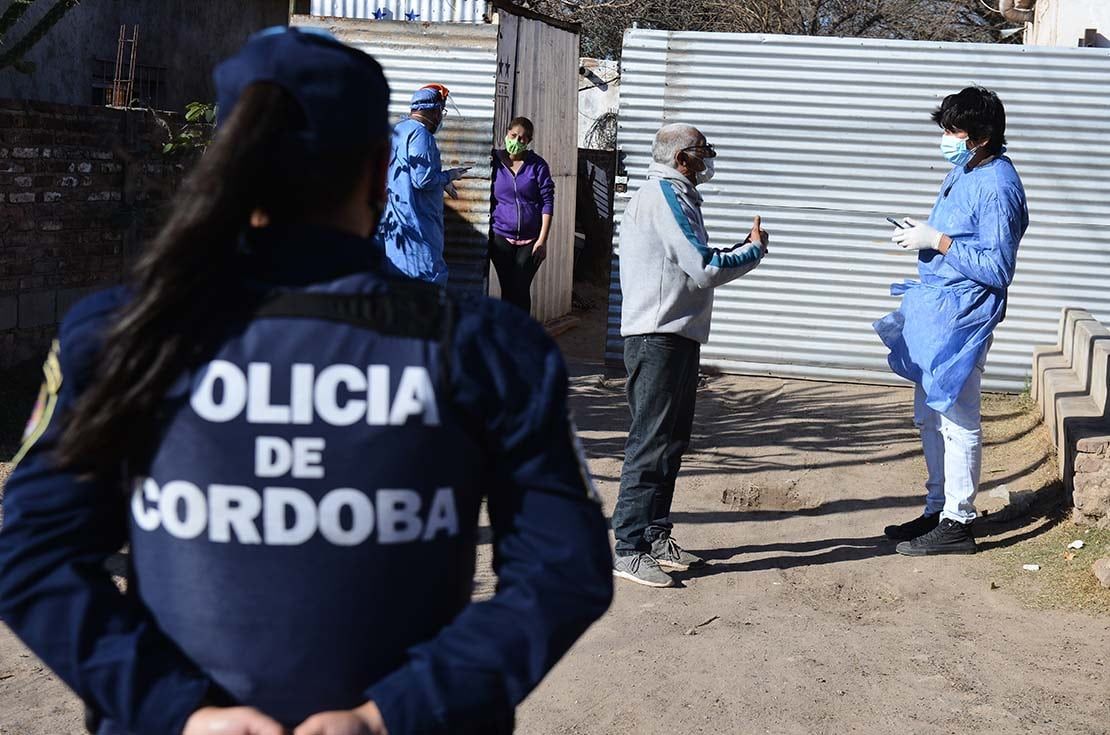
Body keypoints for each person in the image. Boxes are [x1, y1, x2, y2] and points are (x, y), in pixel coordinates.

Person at [0, 28, 612, 735]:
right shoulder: (490, 349)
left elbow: (33, 554)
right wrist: (392, 715)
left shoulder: (122, 333)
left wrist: (181, 713)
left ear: (223, 163)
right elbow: (565, 570)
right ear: (380, 171)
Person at [611, 123, 768, 588]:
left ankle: (656, 533)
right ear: (682, 157)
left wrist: (740, 250)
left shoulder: (673, 195)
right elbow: (703, 268)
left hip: (673, 336)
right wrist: (753, 252)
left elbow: (692, 261)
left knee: (670, 442)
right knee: (651, 443)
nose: (708, 160)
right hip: (657, 337)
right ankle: (629, 546)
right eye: (703, 153)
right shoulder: (665, 196)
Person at [875, 86, 1028, 556]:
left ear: (981, 136)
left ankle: (959, 522)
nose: (946, 138)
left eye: (953, 131)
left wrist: (937, 241)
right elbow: (956, 238)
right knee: (928, 415)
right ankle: (937, 507)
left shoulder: (998, 184)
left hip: (965, 318)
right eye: (944, 128)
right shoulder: (964, 171)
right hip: (938, 312)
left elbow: (998, 269)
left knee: (957, 417)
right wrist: (921, 237)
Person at [374, 83, 469, 285]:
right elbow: (423, 180)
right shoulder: (421, 135)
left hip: (398, 227)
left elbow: (405, 174)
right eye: (441, 111)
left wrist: (441, 180)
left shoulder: (399, 130)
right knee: (427, 287)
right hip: (418, 228)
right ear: (434, 111)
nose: (440, 117)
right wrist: (448, 176)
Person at [489, 116, 555, 314]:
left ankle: (521, 337)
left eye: (523, 139)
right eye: (513, 135)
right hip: (501, 236)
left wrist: (542, 240)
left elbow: (547, 202)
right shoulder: (494, 162)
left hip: (531, 240)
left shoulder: (538, 166)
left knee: (520, 288)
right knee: (508, 290)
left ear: (529, 141)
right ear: (506, 133)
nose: (517, 141)